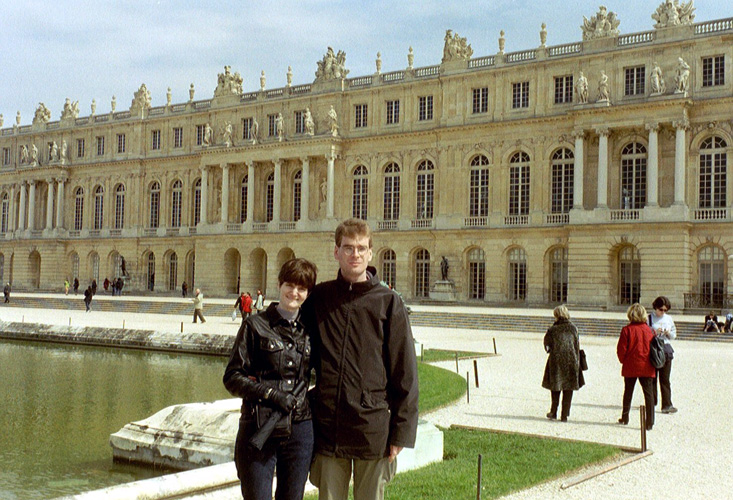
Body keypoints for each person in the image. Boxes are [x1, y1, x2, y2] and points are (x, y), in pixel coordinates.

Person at [303, 218, 418, 500]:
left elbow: (405, 371)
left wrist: (401, 432)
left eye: (361, 248)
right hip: (330, 426)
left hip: (372, 426)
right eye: (348, 248)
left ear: (370, 254)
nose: (355, 254)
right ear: (336, 252)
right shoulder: (320, 297)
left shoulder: (389, 302)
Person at [223, 258, 318, 500]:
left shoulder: (310, 330)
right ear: (279, 284)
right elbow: (232, 377)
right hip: (260, 424)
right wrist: (270, 393)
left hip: (299, 427)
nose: (294, 292)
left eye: (302, 288)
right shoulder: (255, 325)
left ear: (308, 293)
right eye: (290, 285)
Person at [617, 303, 656, 430]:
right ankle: (649, 422)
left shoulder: (626, 330)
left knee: (628, 392)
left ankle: (625, 417)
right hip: (647, 365)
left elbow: (621, 350)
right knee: (648, 394)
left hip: (631, 365)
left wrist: (624, 361)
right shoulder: (650, 330)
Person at [542, 305, 582, 422]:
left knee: (556, 387)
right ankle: (564, 415)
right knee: (568, 388)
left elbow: (547, 346)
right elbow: (577, 345)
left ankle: (553, 412)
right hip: (571, 361)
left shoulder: (553, 329)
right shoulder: (574, 328)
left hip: (556, 361)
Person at [648, 296, 677, 414]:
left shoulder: (669, 318)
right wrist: (654, 332)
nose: (663, 312)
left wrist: (668, 333)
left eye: (665, 310)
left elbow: (674, 335)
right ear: (655, 307)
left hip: (666, 349)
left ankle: (667, 404)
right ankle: (652, 402)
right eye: (661, 309)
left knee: (665, 379)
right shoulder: (649, 318)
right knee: (653, 378)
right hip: (654, 349)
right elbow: (645, 334)